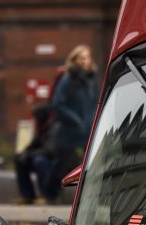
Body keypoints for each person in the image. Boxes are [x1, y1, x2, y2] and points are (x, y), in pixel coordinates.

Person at [50, 45, 99, 197]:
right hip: (70, 130)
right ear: (75, 60)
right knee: (62, 164)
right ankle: (50, 194)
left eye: (87, 57)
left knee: (89, 164)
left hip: (87, 129)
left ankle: (86, 197)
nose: (85, 61)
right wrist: (75, 120)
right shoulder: (69, 79)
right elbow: (57, 104)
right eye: (82, 58)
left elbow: (94, 102)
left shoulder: (91, 78)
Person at [14, 103, 57, 204]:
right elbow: (33, 145)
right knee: (20, 160)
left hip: (56, 162)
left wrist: (30, 155)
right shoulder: (42, 129)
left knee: (39, 161)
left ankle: (46, 196)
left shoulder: (55, 129)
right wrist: (24, 154)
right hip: (41, 158)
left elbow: (50, 150)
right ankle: (27, 195)